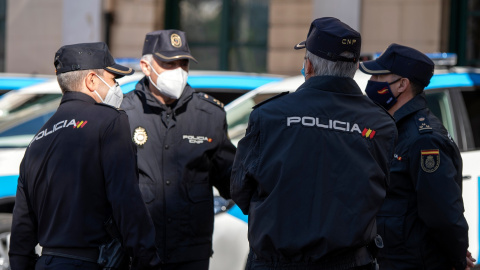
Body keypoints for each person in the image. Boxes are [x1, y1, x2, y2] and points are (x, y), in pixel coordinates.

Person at [231, 17, 398, 270]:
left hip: (278, 261)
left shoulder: (270, 116)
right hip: (350, 263)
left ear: (308, 66)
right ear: (355, 67)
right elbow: (384, 195)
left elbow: (240, 190)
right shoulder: (381, 125)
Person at [9, 42, 161, 270]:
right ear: (91, 80)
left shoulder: (37, 140)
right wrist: (148, 261)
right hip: (93, 262)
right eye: (113, 80)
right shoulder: (110, 122)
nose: (117, 88)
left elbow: (22, 229)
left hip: (48, 262)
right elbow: (126, 201)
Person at [121, 30, 236, 270]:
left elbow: (232, 180)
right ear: (146, 65)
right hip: (136, 250)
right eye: (168, 63)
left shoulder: (209, 114)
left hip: (190, 252)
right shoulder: (123, 113)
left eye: (183, 63)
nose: (178, 71)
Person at [359, 43, 473, 269]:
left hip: (415, 262)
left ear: (402, 84)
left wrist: (457, 256)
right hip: (388, 258)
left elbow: (443, 214)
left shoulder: (423, 139)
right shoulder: (391, 128)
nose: (371, 83)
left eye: (379, 77)